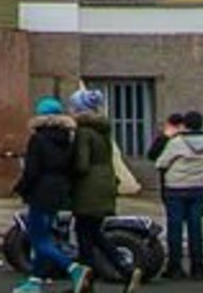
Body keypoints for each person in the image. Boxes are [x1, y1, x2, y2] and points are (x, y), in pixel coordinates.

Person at [11, 94, 87, 293]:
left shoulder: (38, 139)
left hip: (40, 191)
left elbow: (32, 170)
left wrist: (20, 188)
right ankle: (34, 281)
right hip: (59, 190)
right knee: (46, 236)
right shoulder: (68, 139)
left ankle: (74, 268)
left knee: (39, 239)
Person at [68, 87, 134, 287]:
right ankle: (120, 269)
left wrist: (67, 170)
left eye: (72, 106)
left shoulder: (84, 132)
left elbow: (82, 163)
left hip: (88, 189)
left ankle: (92, 277)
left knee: (85, 235)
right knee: (93, 233)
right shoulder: (102, 130)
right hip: (105, 184)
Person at [149, 109, 203, 282]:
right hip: (198, 187)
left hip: (176, 188)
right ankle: (198, 266)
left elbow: (160, 162)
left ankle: (175, 267)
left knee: (175, 228)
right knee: (196, 228)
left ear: (185, 124)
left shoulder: (177, 141)